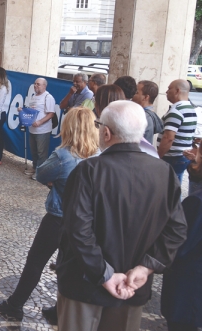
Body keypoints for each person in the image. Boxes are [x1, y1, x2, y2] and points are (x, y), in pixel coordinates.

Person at [56, 100, 188, 331]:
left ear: (106, 132)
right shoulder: (164, 172)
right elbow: (176, 229)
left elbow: (78, 230)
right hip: (132, 285)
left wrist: (105, 275)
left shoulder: (89, 170)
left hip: (85, 287)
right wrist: (145, 268)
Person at [0, 108, 99, 321]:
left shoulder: (63, 155)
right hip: (86, 222)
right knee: (69, 267)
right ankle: (61, 310)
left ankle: (15, 306)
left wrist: (54, 182)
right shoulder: (99, 156)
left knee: (36, 261)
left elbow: (41, 173)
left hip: (58, 218)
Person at [161, 144, 202, 331]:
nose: (195, 157)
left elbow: (177, 245)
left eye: (199, 153)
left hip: (189, 292)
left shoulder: (196, 203)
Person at [157, 79, 197, 182]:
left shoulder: (176, 111)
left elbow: (168, 138)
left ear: (177, 91)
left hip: (172, 157)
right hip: (182, 157)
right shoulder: (190, 108)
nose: (166, 92)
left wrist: (158, 156)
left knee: (169, 188)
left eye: (169, 89)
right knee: (175, 185)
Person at [20, 78, 56, 178]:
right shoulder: (33, 96)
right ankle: (35, 167)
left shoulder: (48, 97)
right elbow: (32, 111)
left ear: (44, 86)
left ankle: (40, 173)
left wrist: (40, 122)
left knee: (41, 152)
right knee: (34, 151)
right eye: (35, 84)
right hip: (32, 129)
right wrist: (23, 111)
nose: (36, 86)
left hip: (42, 130)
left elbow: (51, 114)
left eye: (38, 84)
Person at [132, 80, 163, 144]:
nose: (133, 95)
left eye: (136, 92)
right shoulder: (146, 115)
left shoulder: (145, 117)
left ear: (146, 97)